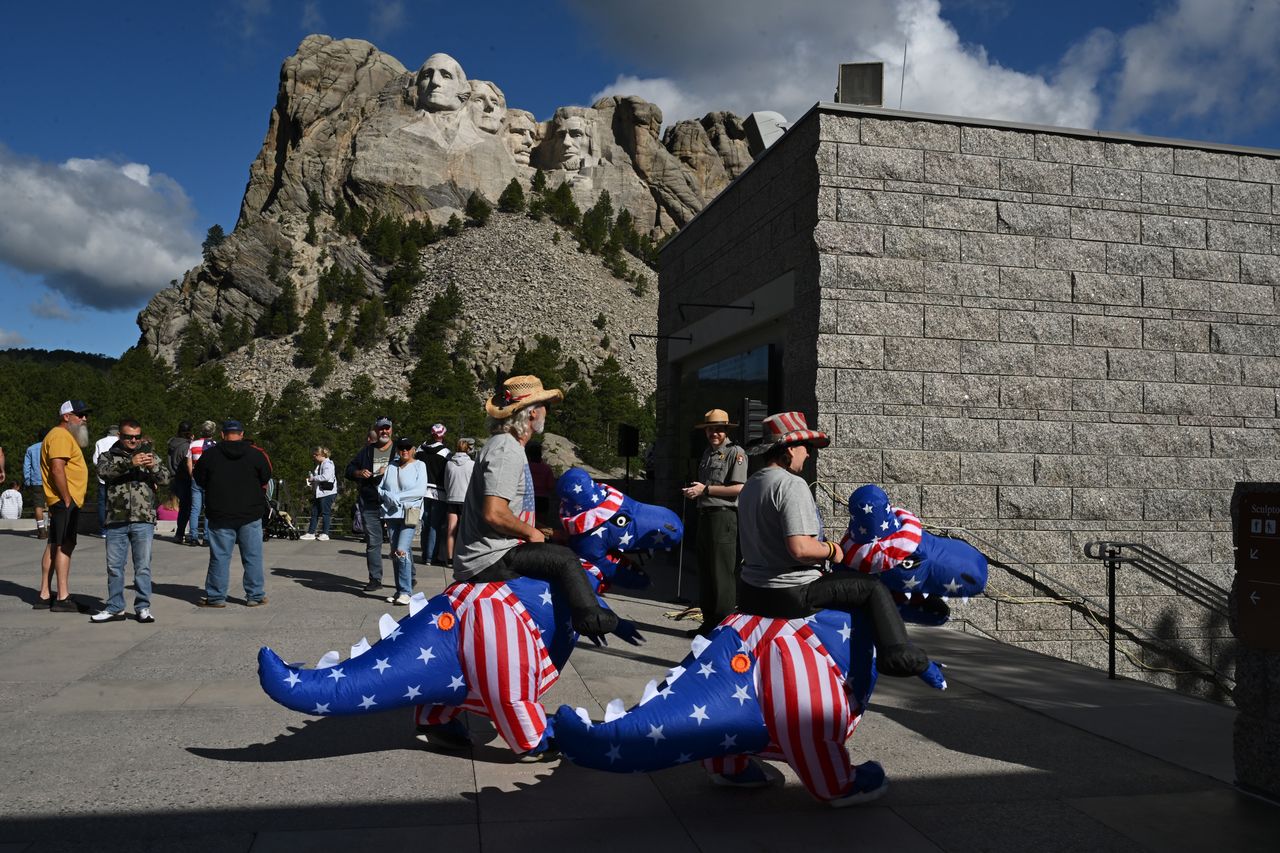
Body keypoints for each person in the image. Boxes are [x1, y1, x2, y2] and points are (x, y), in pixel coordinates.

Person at [705, 411, 931, 801]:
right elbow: (800, 548)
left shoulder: (753, 483)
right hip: (793, 595)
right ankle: (898, 653)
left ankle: (729, 761)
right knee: (870, 589)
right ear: (789, 447)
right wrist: (835, 549)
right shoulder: (791, 486)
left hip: (752, 592)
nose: (808, 455)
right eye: (805, 447)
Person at [417, 375, 619, 755]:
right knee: (563, 560)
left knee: (552, 547)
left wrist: (536, 529)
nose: (545, 414)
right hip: (490, 558)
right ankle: (590, 617)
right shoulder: (507, 450)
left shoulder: (502, 446)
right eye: (541, 408)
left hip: (492, 550)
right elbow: (495, 513)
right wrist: (532, 534)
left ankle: (434, 714)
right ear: (527, 414)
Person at [90, 419, 169, 624]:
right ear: (120, 437)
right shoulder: (109, 456)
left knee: (142, 566)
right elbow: (103, 473)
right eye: (128, 437)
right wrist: (129, 463)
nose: (133, 441)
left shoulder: (150, 455)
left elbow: (166, 479)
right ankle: (115, 607)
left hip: (143, 519)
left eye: (136, 437)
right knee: (114, 566)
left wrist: (153, 468)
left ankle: (143, 607)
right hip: (116, 518)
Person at [681, 408, 748, 637]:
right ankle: (709, 622)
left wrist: (705, 489)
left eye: (719, 429)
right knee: (707, 571)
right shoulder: (708, 453)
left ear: (726, 430)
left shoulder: (735, 452)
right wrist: (695, 492)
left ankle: (724, 626)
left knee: (722, 573)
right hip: (705, 515)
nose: (714, 433)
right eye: (711, 429)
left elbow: (739, 487)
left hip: (723, 516)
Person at [194, 420, 272, 608]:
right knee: (252, 556)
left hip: (220, 513)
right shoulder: (256, 454)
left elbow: (199, 478)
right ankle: (255, 595)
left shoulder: (210, 455)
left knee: (220, 556)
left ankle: (216, 596)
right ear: (242, 434)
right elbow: (266, 476)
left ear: (222, 434)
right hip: (250, 512)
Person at [39, 399, 93, 612]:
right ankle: (62, 597)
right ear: (66, 417)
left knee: (54, 544)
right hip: (64, 501)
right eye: (80, 415)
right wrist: (67, 498)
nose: (84, 419)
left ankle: (44, 593)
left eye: (85, 415)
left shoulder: (59, 435)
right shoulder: (61, 436)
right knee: (65, 545)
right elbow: (57, 468)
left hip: (61, 500)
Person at [346, 416, 395, 592]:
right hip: (370, 501)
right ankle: (375, 579)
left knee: (398, 544)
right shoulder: (366, 451)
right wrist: (359, 472)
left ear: (391, 430)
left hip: (393, 504)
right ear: (376, 430)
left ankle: (406, 577)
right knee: (373, 542)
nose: (384, 431)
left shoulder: (398, 450)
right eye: (381, 428)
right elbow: (349, 469)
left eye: (387, 428)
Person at [378, 437, 427, 605]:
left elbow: (420, 490)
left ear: (413, 449)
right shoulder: (391, 466)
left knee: (402, 550)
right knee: (395, 553)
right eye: (401, 448)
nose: (404, 450)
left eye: (407, 447)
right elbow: (381, 487)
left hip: (409, 513)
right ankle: (400, 589)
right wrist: (388, 496)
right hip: (391, 514)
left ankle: (406, 591)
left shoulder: (420, 465)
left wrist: (396, 497)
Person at [416, 423, 451, 566]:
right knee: (435, 525)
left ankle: (425, 554)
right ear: (443, 435)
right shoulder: (446, 453)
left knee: (425, 523)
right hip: (438, 492)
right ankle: (431, 556)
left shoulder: (420, 449)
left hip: (422, 491)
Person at [443, 437, 475, 562]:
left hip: (451, 497)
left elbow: (446, 482)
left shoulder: (449, 463)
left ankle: (450, 557)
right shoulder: (472, 464)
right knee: (465, 529)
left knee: (451, 528)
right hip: (465, 499)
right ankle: (464, 555)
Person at [186, 421, 217, 546]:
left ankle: (193, 537)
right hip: (209, 480)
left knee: (195, 509)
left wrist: (192, 475)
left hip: (196, 479)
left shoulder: (193, 444)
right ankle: (207, 537)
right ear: (213, 432)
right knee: (208, 509)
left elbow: (189, 462)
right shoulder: (215, 446)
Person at [301, 446, 337, 541]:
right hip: (320, 492)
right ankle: (311, 532)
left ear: (321, 455)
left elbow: (326, 476)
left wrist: (313, 478)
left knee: (325, 513)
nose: (314, 456)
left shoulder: (328, 464)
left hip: (327, 493)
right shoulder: (320, 464)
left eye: (316, 455)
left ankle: (325, 533)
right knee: (314, 512)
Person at [91, 424, 120, 533]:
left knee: (102, 503)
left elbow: (95, 460)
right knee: (116, 502)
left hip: (103, 477)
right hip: (117, 476)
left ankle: (103, 530)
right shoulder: (121, 441)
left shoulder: (100, 442)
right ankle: (115, 527)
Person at [168, 421, 193, 543]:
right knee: (188, 507)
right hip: (184, 478)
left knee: (182, 507)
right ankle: (185, 533)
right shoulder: (186, 446)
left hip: (173, 477)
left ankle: (179, 533)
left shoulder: (172, 443)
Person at [23, 432, 48, 539]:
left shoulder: (31, 449)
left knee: (38, 506)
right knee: (53, 505)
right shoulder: (52, 447)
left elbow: (26, 466)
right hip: (51, 481)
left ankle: (41, 530)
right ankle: (53, 529)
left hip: (36, 481)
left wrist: (27, 480)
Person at [526, 442, 555, 528]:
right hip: (542, 499)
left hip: (527, 497)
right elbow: (550, 485)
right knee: (542, 525)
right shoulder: (546, 469)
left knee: (527, 522)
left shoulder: (526, 467)